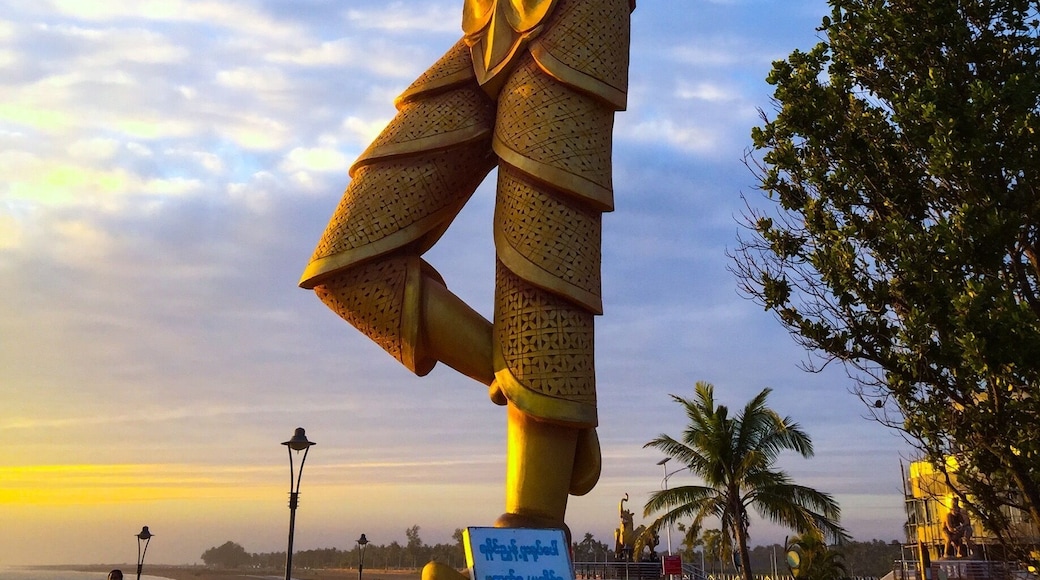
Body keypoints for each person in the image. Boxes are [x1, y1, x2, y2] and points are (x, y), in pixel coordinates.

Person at [300, 0, 633, 544]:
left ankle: (533, 524)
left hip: (573, 15)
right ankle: (554, 399)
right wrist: (543, 387)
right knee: (348, 264)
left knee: (542, 261)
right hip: (489, 24)